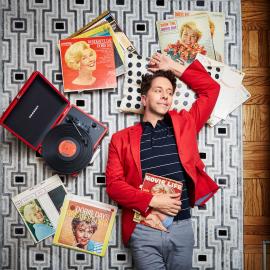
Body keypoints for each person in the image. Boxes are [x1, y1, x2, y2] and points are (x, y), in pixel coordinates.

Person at [105, 52, 220, 270]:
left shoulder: (186, 123)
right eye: (158, 91)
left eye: (169, 92)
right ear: (144, 99)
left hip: (182, 226)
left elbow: (211, 90)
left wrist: (173, 67)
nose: (165, 96)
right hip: (143, 227)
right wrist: (152, 200)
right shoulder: (120, 139)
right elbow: (113, 186)